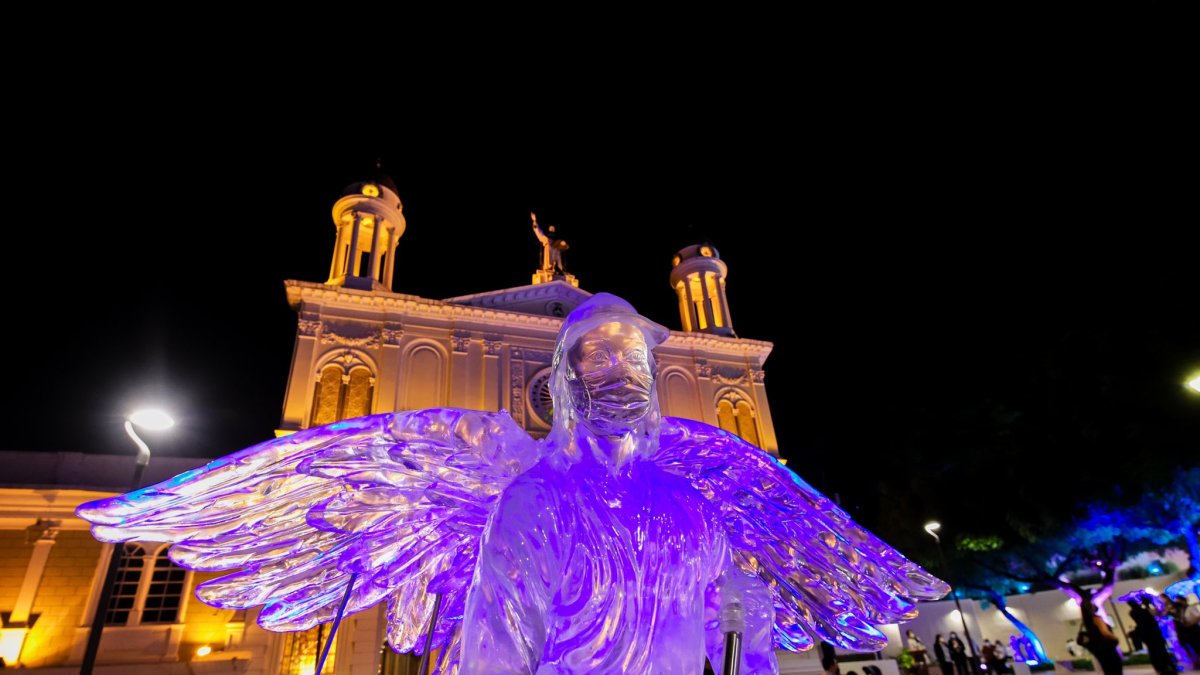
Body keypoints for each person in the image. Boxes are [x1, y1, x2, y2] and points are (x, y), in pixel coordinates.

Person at [1128, 597, 1173, 675]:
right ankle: (1166, 666)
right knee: (1160, 650)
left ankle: (1160, 667)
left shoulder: (1133, 612)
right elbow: (1155, 615)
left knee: (1153, 651)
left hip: (1146, 635)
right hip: (1154, 633)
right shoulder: (1143, 611)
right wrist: (1147, 605)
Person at [1079, 600, 1122, 675]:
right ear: (1090, 607)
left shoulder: (1086, 621)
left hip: (1098, 650)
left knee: (1108, 669)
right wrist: (1115, 639)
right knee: (1115, 669)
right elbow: (1105, 632)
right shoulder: (1096, 618)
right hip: (1107, 648)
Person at [531, 211, 569, 275]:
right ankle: (550, 269)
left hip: (557, 252)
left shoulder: (558, 239)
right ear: (549, 229)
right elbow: (538, 232)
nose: (552, 229)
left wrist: (563, 244)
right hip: (549, 252)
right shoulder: (546, 237)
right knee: (549, 264)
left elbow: (566, 247)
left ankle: (559, 270)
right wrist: (534, 221)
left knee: (558, 264)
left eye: (553, 228)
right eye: (551, 228)